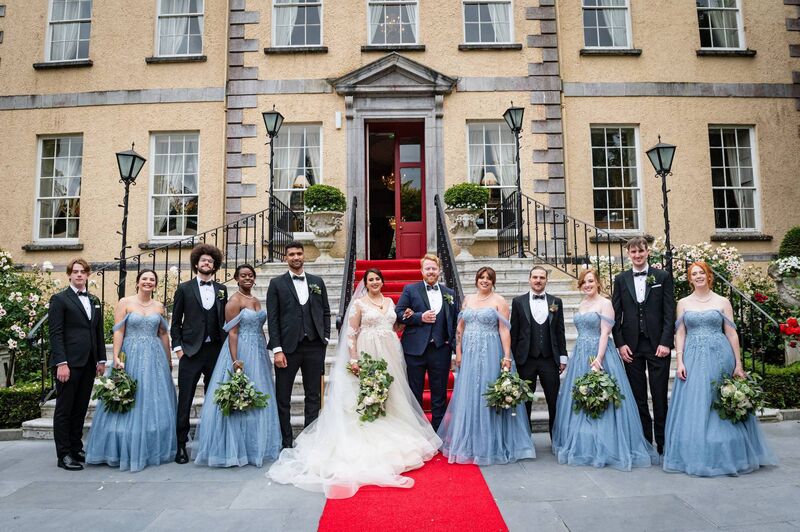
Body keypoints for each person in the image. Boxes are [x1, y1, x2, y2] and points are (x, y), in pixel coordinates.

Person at [269, 269, 440, 498]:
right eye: (371, 279)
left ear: (382, 281)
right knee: (368, 393)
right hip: (367, 351)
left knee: (391, 393)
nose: (375, 282)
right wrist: (354, 359)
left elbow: (395, 327)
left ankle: (389, 427)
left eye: (378, 279)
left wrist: (405, 319)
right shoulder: (359, 303)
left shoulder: (390, 301)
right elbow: (351, 333)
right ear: (366, 283)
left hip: (390, 352)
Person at [663, 262, 777, 476]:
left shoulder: (722, 301)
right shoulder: (683, 303)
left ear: (709, 276)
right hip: (693, 357)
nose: (698, 276)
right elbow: (680, 334)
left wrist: (738, 364)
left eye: (701, 273)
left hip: (719, 355)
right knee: (696, 401)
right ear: (690, 279)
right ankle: (696, 450)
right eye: (694, 274)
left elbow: (731, 333)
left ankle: (730, 451)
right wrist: (680, 361)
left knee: (719, 399)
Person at [551, 269, 658, 470]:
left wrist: (598, 360)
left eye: (591, 281)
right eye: (584, 282)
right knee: (581, 397)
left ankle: (606, 441)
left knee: (603, 396)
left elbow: (604, 333)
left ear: (598, 283)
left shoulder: (605, 303)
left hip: (600, 353)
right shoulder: (582, 304)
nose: (587, 285)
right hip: (581, 352)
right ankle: (585, 443)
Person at [438, 267, 535, 465]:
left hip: (491, 351)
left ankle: (492, 443)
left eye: (488, 278)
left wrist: (507, 357)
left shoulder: (499, 301)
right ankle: (471, 442)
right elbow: (460, 328)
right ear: (476, 280)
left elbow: (504, 331)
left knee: (487, 393)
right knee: (470, 396)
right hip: (469, 353)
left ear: (493, 281)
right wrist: (459, 350)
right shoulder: (467, 300)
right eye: (481, 278)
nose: (484, 281)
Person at [85, 269, 177, 472]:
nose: (148, 282)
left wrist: (168, 358)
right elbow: (119, 330)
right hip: (131, 353)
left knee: (153, 397)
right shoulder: (125, 302)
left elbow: (163, 334)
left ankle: (151, 445)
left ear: (155, 284)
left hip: (154, 356)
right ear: (137, 282)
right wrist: (116, 356)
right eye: (144, 279)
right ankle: (121, 446)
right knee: (128, 395)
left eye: (152, 280)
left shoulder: (159, 307)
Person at [194, 264, 281, 467]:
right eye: (243, 276)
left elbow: (260, 328)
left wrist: (265, 352)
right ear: (236, 278)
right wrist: (235, 360)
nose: (248, 278)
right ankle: (235, 448)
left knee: (257, 396)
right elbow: (232, 333)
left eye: (251, 275)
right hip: (241, 349)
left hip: (258, 350)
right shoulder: (234, 301)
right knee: (240, 396)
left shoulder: (255, 300)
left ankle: (255, 445)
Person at [611, 236, 675, 455]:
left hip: (658, 345)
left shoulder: (662, 277)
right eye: (633, 252)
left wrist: (666, 342)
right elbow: (615, 315)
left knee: (659, 396)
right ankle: (645, 442)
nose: (637, 256)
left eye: (641, 251)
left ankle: (663, 443)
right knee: (638, 397)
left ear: (648, 252)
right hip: (632, 347)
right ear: (628, 254)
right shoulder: (620, 279)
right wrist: (620, 344)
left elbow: (669, 312)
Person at [267, 241, 331, 449]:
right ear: (286, 257)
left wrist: (326, 338)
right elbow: (273, 319)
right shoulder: (276, 284)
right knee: (282, 396)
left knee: (313, 395)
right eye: (292, 254)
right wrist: (277, 349)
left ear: (304, 256)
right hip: (287, 349)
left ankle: (308, 441)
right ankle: (286, 441)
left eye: (299, 253)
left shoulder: (316, 282)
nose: (296, 257)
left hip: (314, 346)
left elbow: (326, 312)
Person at [170, 244, 228, 464]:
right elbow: (175, 322)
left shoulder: (222, 289)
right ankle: (181, 446)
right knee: (185, 399)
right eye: (203, 261)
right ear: (196, 264)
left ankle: (214, 442)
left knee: (216, 398)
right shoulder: (184, 289)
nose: (207, 264)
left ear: (215, 266)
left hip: (215, 351)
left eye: (210, 261)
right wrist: (178, 349)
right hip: (191, 352)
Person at [48, 258, 107, 471]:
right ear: (69, 275)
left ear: (87, 275)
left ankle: (76, 447)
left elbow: (97, 332)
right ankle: (63, 455)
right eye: (76, 272)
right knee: (64, 409)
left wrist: (101, 359)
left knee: (80, 408)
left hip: (89, 363)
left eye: (83, 271)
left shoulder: (94, 300)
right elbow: (55, 334)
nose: (79, 275)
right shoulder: (60, 299)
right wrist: (61, 363)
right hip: (69, 364)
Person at [395, 254, 459, 431]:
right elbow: (399, 312)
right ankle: (416, 432)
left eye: (434, 268)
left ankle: (439, 433)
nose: (431, 271)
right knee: (414, 393)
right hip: (415, 349)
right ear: (422, 271)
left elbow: (454, 322)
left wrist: (451, 345)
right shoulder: (411, 290)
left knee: (439, 394)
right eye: (427, 268)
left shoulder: (450, 293)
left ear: (439, 270)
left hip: (440, 350)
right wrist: (419, 317)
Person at [510, 266, 568, 435]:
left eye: (541, 277)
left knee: (553, 400)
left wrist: (563, 357)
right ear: (529, 279)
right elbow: (514, 332)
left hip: (549, 359)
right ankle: (525, 438)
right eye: (535, 277)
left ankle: (556, 437)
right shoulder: (518, 302)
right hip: (525, 359)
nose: (538, 280)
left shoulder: (555, 302)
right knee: (524, 401)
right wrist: (512, 359)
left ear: (546, 280)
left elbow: (560, 331)